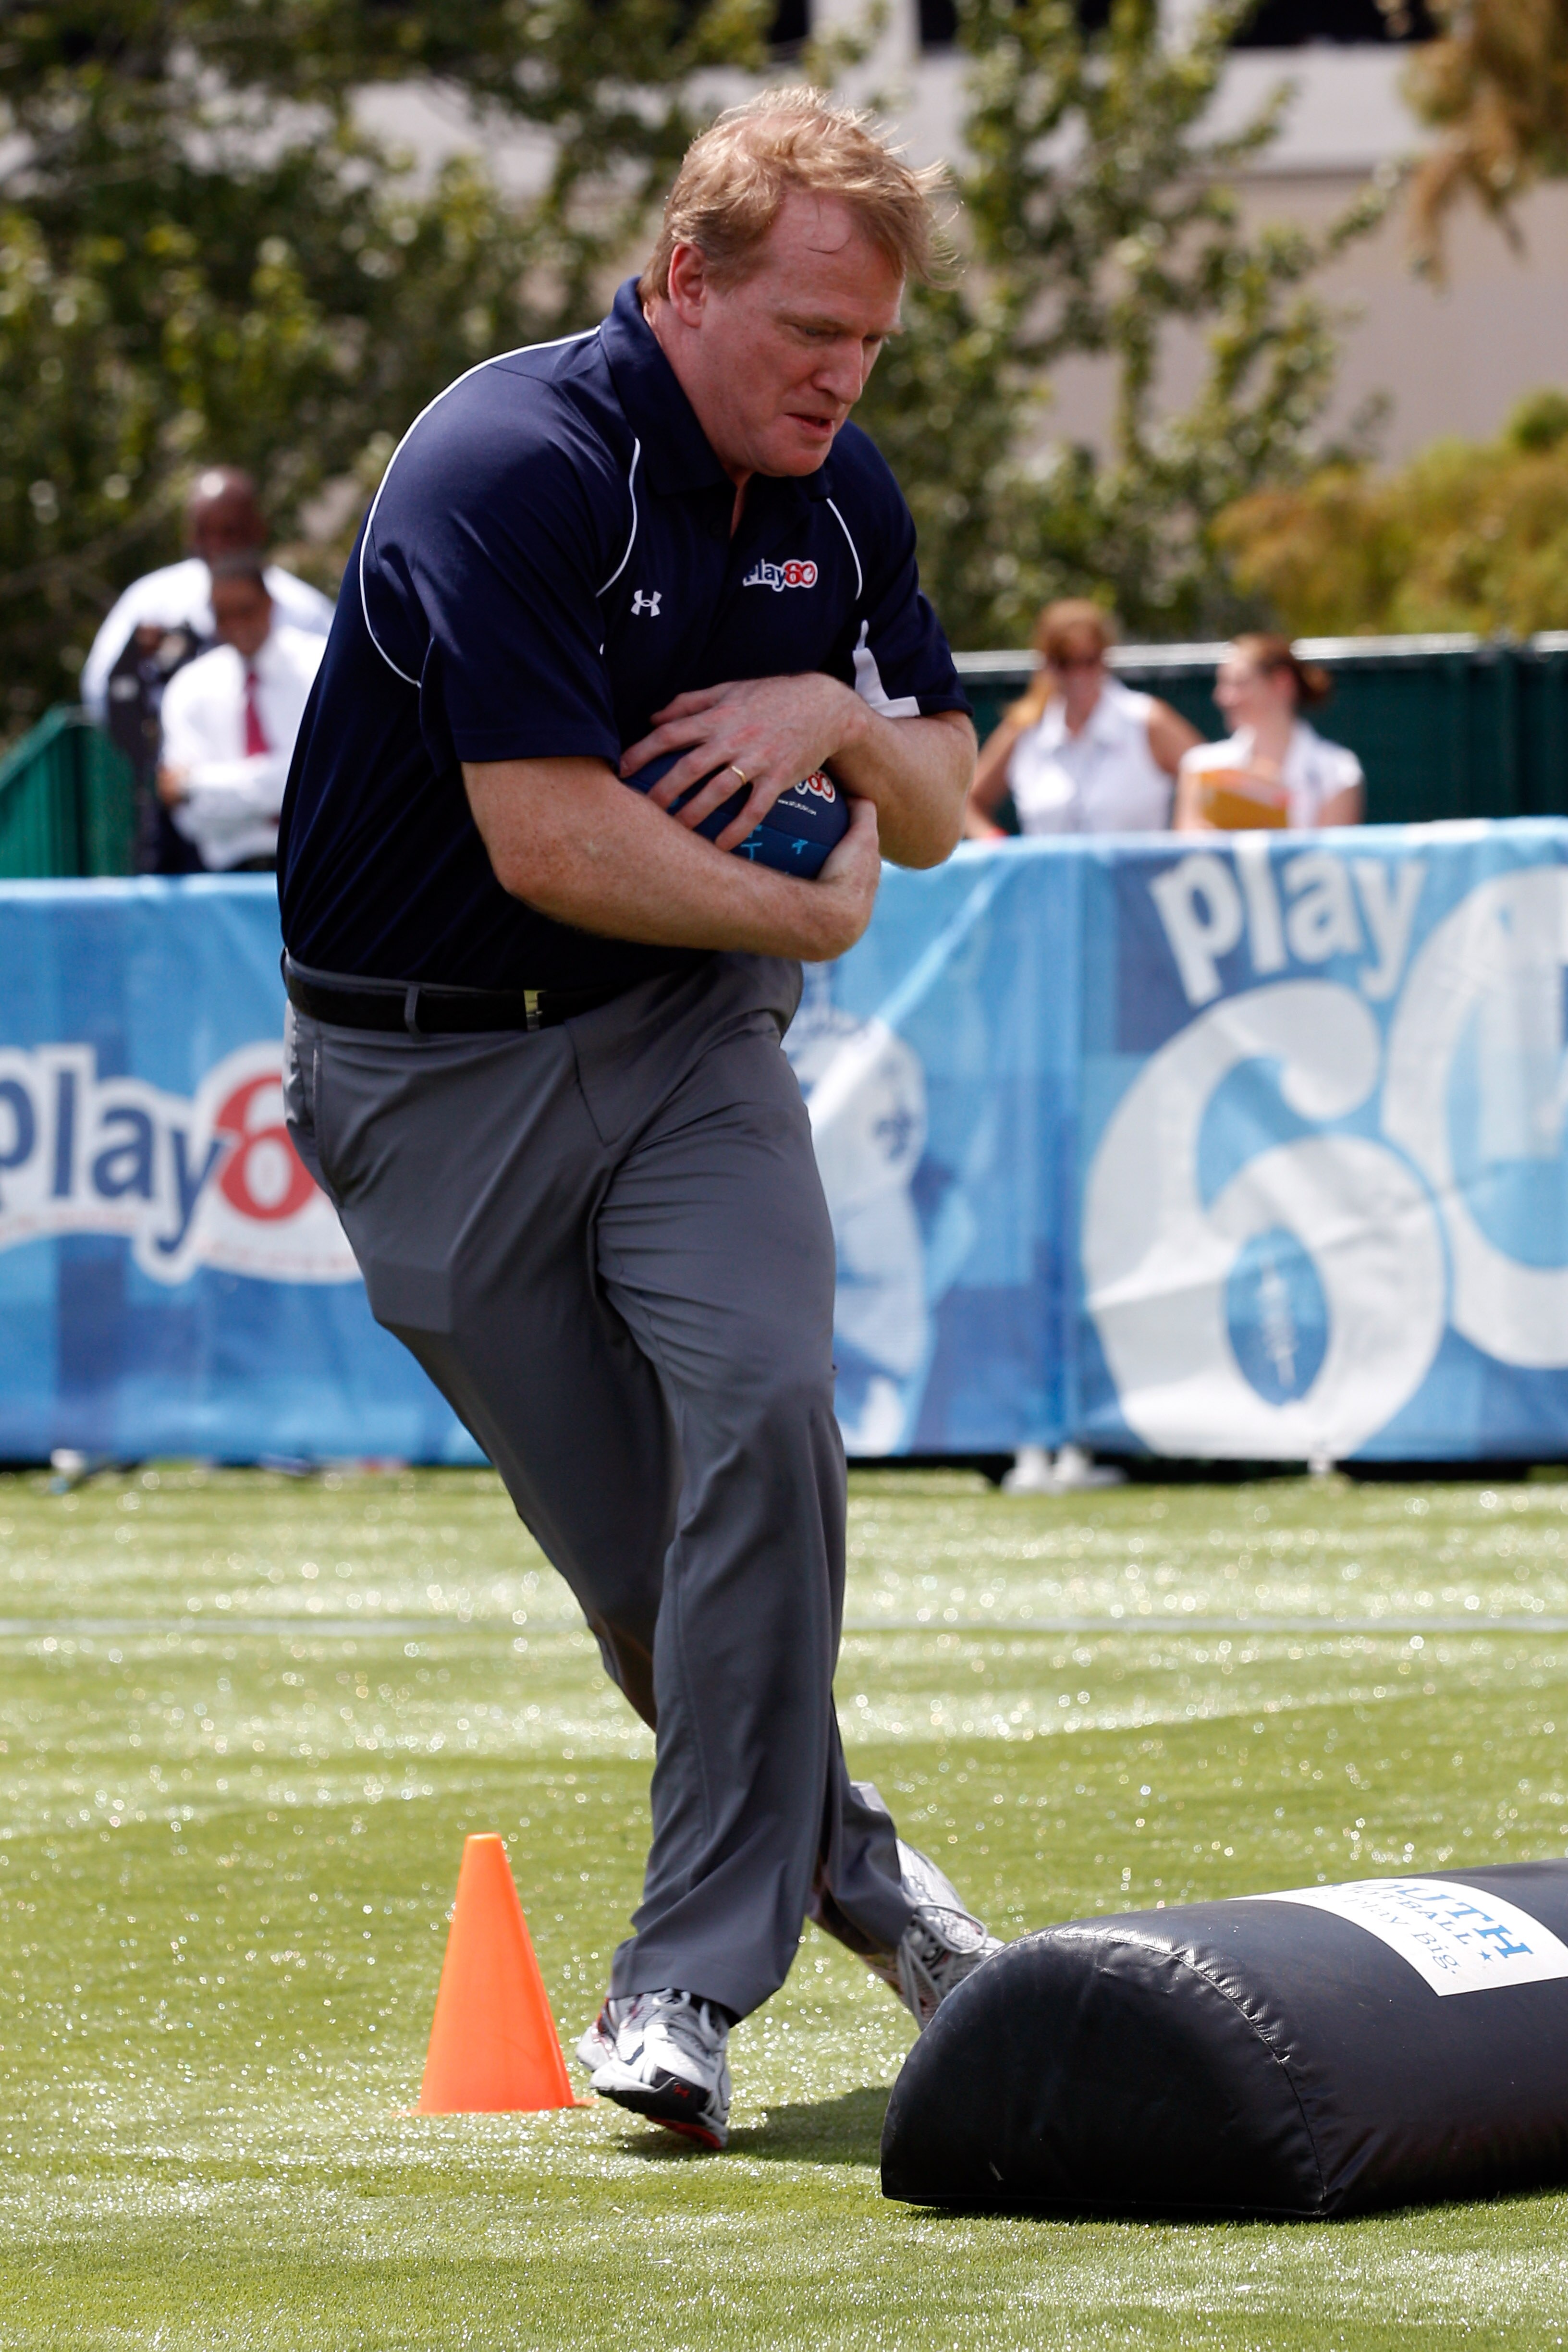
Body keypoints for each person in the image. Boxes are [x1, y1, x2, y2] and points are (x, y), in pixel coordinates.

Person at [277, 89, 999, 2154]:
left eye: (869, 344)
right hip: (423, 1078)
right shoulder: (509, 462)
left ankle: (680, 1983)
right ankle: (876, 1888)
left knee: (767, 1409)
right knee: (638, 1575)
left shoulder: (840, 492)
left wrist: (848, 722)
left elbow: (943, 804)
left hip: (690, 1042)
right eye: (806, 332)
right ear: (684, 279)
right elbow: (547, 834)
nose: (840, 379)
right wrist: (822, 896)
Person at [82, 468, 334, 873]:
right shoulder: (151, 604)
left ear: (257, 528)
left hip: (311, 849)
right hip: (191, 845)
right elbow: (103, 696)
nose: (217, 545)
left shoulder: (308, 616)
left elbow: (319, 772)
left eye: (230, 530)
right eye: (204, 531)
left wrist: (201, 788)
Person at [964, 600, 1199, 838]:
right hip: (1049, 876)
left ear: (1105, 657)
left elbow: (1212, 780)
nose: (1078, 674)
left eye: (1089, 660)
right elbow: (968, 801)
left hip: (1139, 876)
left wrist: (1185, 838)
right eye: (1065, 662)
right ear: (1047, 663)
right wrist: (993, 844)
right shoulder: (1024, 728)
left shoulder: (1147, 720)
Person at [156, 554, 326, 872]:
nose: (236, 625)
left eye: (245, 611)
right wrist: (279, 784)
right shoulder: (190, 688)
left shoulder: (320, 667)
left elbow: (321, 784)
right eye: (223, 616)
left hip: (319, 865)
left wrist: (195, 785)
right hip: (230, 879)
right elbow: (192, 821)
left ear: (269, 605)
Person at [1175, 634, 1365, 832]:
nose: (1223, 698)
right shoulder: (1201, 766)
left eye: (1240, 683)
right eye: (1223, 684)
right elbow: (1189, 854)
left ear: (1282, 683)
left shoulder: (1340, 770)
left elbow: (1328, 859)